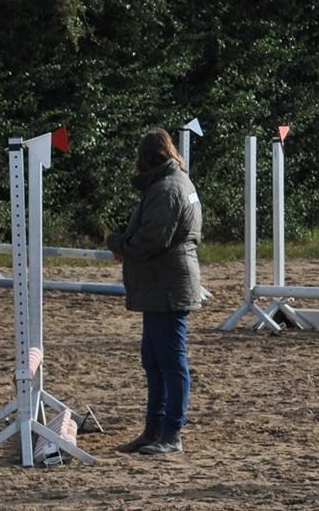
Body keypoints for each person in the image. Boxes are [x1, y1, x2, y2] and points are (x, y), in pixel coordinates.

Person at [108, 127, 203, 455]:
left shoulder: (166, 189)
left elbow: (152, 239)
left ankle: (171, 432)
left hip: (167, 282)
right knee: (154, 359)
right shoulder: (175, 183)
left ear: (147, 157)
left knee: (171, 361)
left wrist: (119, 243)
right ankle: (154, 428)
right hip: (164, 281)